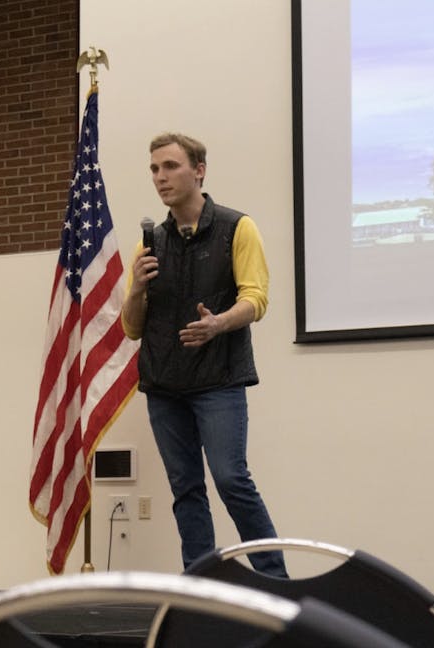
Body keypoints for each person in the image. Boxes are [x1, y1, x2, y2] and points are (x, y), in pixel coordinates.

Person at [122, 132, 287, 577]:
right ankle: (200, 586)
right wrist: (136, 286)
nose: (160, 177)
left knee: (232, 480)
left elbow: (257, 299)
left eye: (171, 166)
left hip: (218, 381)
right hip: (164, 385)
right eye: (154, 168)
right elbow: (132, 327)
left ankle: (275, 581)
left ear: (199, 170)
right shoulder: (149, 243)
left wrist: (218, 324)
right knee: (186, 489)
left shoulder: (238, 228)